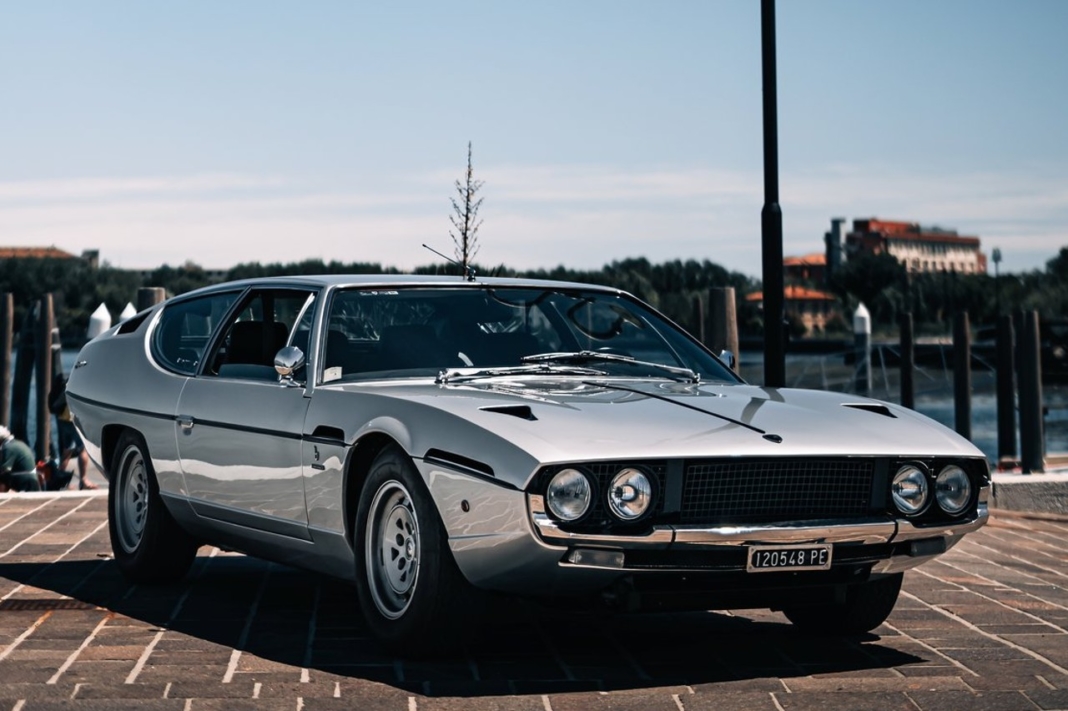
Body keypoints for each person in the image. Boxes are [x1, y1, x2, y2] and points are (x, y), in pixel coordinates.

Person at [49, 373, 96, 490]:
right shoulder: (79, 383)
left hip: (62, 420)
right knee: (82, 449)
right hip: (72, 420)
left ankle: (58, 479)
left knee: (67, 452)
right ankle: (84, 480)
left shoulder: (68, 381)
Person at [0, 426, 41, 493]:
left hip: (25, 481)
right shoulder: (16, 443)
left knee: (3, 476)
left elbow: (4, 471)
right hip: (32, 480)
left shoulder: (7, 448)